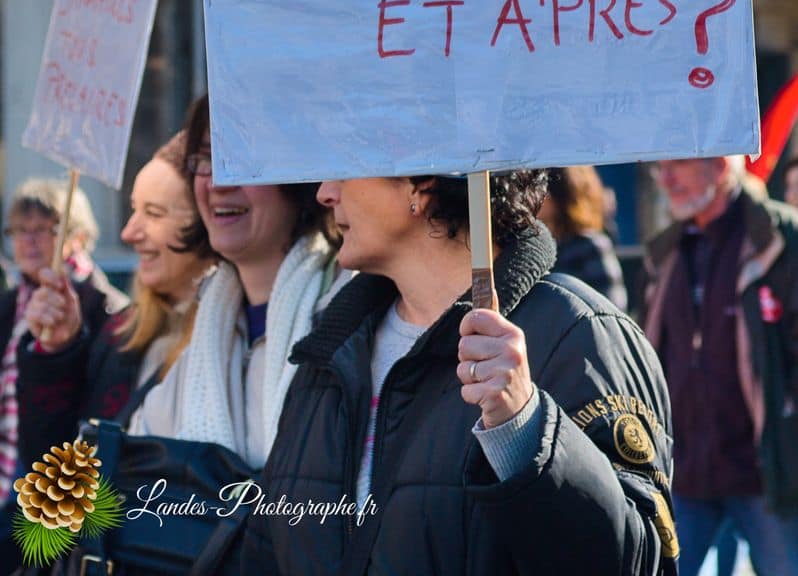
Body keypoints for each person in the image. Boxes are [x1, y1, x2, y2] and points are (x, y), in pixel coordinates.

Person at [238, 169, 678, 576]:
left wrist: (527, 430)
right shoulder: (331, 350)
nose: (324, 193)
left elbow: (639, 562)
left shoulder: (579, 334)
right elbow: (267, 548)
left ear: (419, 183)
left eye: (346, 168)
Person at [130, 95, 347, 469]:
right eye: (205, 159)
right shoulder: (205, 336)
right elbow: (132, 467)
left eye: (242, 158)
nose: (218, 183)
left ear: (297, 176)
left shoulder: (347, 318)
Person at [17, 132, 214, 470]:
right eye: (133, 208)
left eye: (153, 213)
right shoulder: (121, 329)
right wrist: (57, 352)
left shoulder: (231, 337)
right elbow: (53, 461)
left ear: (205, 222)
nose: (129, 233)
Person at [642, 154, 798, 576]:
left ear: (721, 166)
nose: (666, 178)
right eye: (661, 167)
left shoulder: (779, 238)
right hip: (687, 475)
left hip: (765, 476)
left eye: (679, 163)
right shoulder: (668, 250)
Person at [0, 178, 126, 570]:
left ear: (78, 235)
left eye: (44, 229)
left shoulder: (108, 308)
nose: (29, 240)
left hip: (56, 483)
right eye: (20, 229)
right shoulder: (10, 302)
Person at [538, 165, 628, 310]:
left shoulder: (590, 247)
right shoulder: (534, 246)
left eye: (539, 187)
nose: (529, 195)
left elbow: (612, 309)